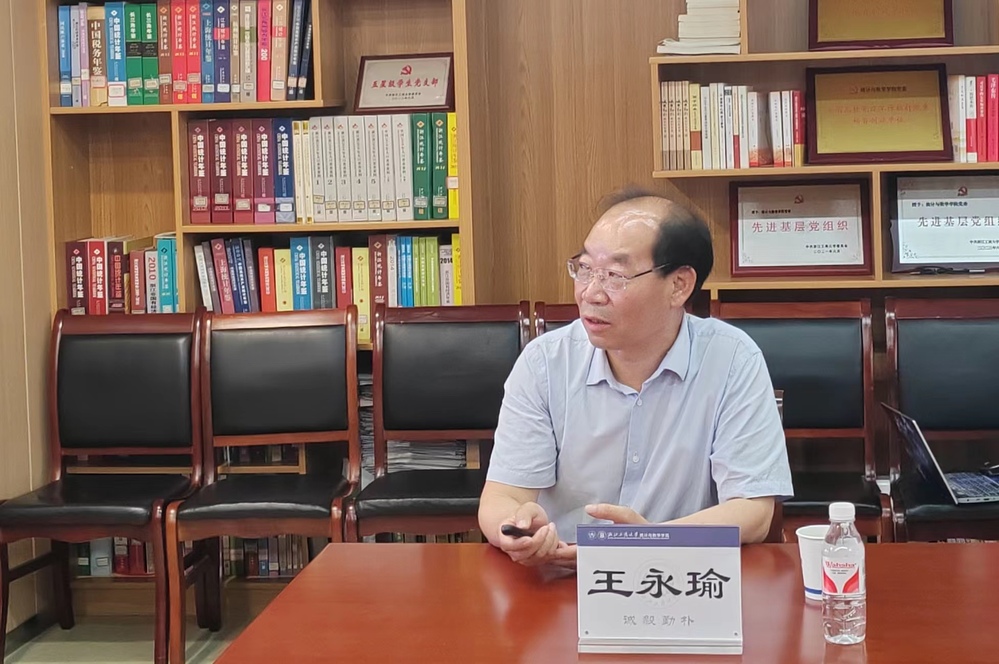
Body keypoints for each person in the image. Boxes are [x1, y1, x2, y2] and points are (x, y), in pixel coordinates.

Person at [478, 187, 794, 568]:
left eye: (615, 275)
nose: (590, 293)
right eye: (585, 269)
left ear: (679, 285)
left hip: (679, 578)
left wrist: (652, 542)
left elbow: (754, 510)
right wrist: (517, 527)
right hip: (562, 576)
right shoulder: (545, 363)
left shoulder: (732, 360)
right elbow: (502, 497)